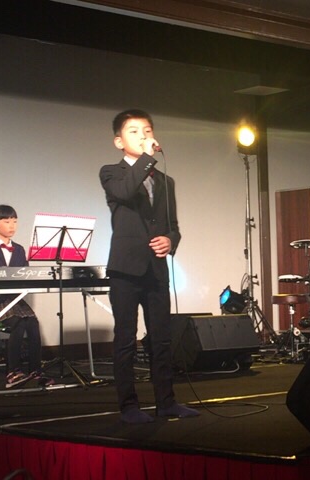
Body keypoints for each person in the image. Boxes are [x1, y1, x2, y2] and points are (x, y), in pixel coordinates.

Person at [100, 109, 199, 424]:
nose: (143, 136)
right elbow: (125, 192)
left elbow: (174, 226)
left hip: (156, 269)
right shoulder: (111, 173)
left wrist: (170, 241)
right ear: (119, 141)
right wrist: (146, 158)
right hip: (125, 269)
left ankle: (166, 403)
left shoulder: (165, 181)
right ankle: (129, 406)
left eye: (147, 130)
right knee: (125, 338)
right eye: (134, 131)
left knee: (162, 338)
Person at [0, 205, 55, 389]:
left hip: (14, 301)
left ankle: (36, 370)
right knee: (18, 323)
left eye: (14, 221)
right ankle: (13, 372)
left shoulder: (19, 249)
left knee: (33, 323)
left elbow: (25, 275)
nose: (12, 225)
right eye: (6, 221)